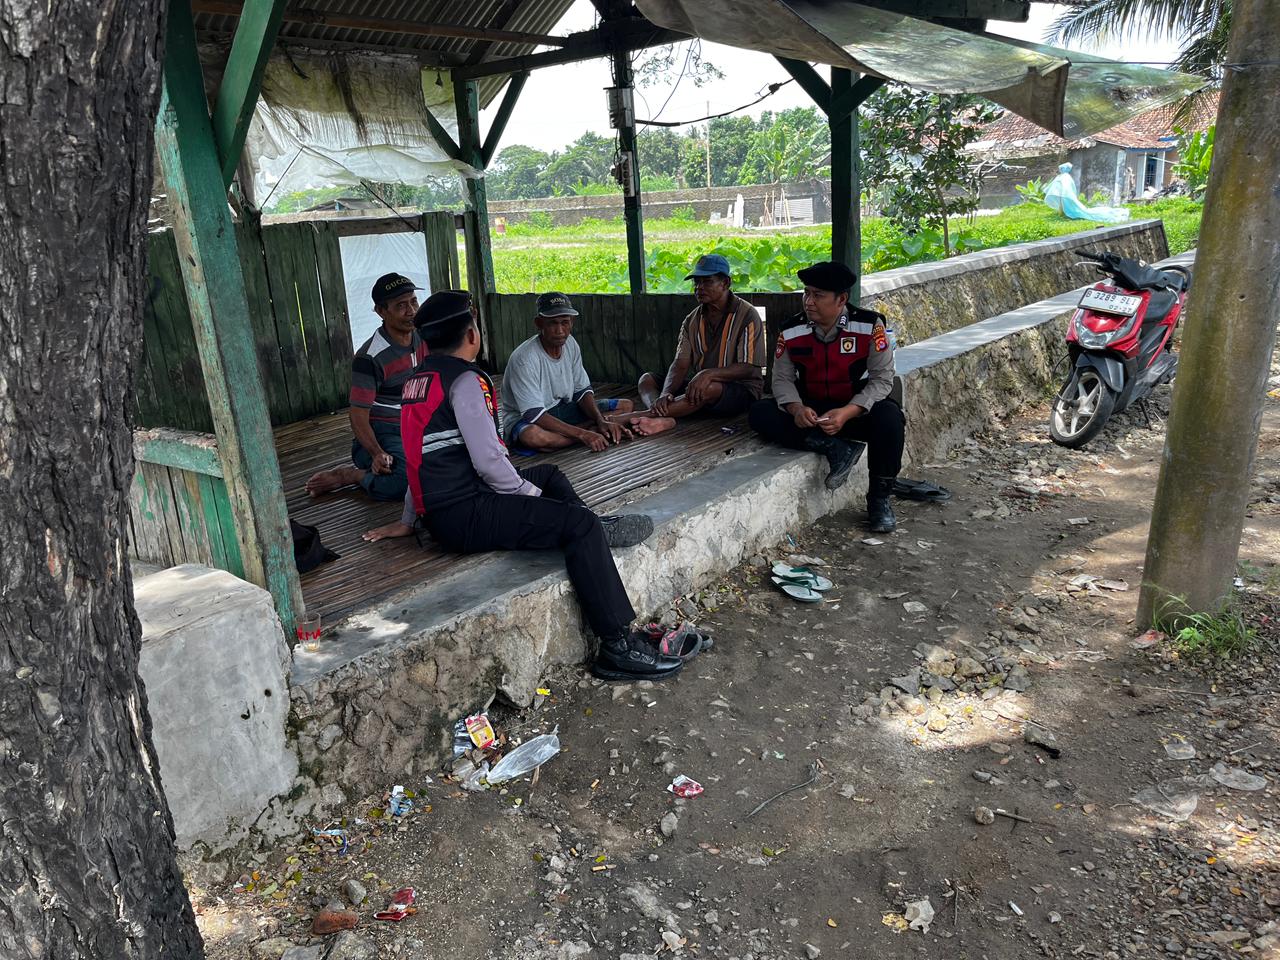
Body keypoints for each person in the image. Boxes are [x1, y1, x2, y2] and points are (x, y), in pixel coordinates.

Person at [363, 290, 683, 682]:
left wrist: (409, 518)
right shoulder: (465, 381)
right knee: (577, 523)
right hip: (466, 511)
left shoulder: (417, 382)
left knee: (549, 475)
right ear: (471, 335)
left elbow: (416, 457)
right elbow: (489, 463)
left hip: (445, 510)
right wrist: (534, 500)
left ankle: (595, 534)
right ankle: (617, 646)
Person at [748, 261, 905, 534]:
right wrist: (797, 409)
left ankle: (879, 500)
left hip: (853, 410)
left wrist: (848, 411)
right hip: (812, 412)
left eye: (818, 295)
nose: (808, 301)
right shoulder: (791, 329)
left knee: (890, 419)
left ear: (841, 299)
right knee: (760, 413)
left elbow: (882, 379)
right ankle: (834, 448)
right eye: (806, 293)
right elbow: (781, 379)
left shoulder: (869, 325)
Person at [306, 273, 428, 500]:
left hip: (418, 425)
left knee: (457, 460)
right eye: (401, 306)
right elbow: (358, 416)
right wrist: (376, 453)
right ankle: (350, 476)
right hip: (385, 432)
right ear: (381, 311)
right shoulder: (370, 357)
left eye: (413, 301)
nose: (411, 311)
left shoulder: (423, 336)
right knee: (408, 482)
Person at [629, 254, 766, 426]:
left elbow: (749, 368)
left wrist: (708, 374)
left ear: (725, 283)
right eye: (696, 282)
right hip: (700, 386)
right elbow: (680, 364)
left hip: (740, 391)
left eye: (707, 282)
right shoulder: (691, 320)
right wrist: (665, 393)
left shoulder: (747, 315)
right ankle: (661, 412)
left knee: (708, 387)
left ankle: (641, 416)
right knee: (647, 379)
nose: (699, 287)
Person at [500, 292, 634, 453]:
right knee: (534, 437)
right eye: (553, 323)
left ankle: (576, 434)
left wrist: (600, 420)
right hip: (527, 419)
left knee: (625, 406)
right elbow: (533, 414)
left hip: (561, 410)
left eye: (565, 323)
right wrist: (583, 434)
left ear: (572, 322)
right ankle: (589, 432)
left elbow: (582, 391)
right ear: (539, 323)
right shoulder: (524, 358)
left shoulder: (570, 343)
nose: (560, 330)